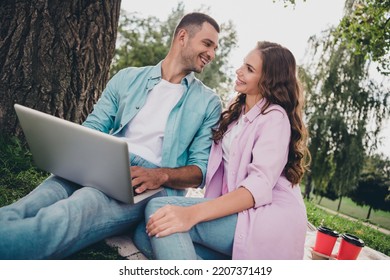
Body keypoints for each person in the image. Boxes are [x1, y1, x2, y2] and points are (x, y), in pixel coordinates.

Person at [0, 12, 222, 259]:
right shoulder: (127, 78)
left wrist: (161, 175)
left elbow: (199, 172)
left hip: (149, 180)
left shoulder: (208, 102)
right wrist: (75, 157)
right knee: (34, 201)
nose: (212, 54)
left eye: (215, 48)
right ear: (183, 36)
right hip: (104, 159)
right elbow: (94, 126)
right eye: (207, 44)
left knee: (78, 208)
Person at [142, 41, 311, 260]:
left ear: (269, 80)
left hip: (267, 219)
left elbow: (257, 187)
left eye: (249, 69)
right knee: (147, 231)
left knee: (159, 210)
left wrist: (192, 214)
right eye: (243, 64)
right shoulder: (238, 110)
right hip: (238, 211)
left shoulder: (274, 118)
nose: (239, 71)